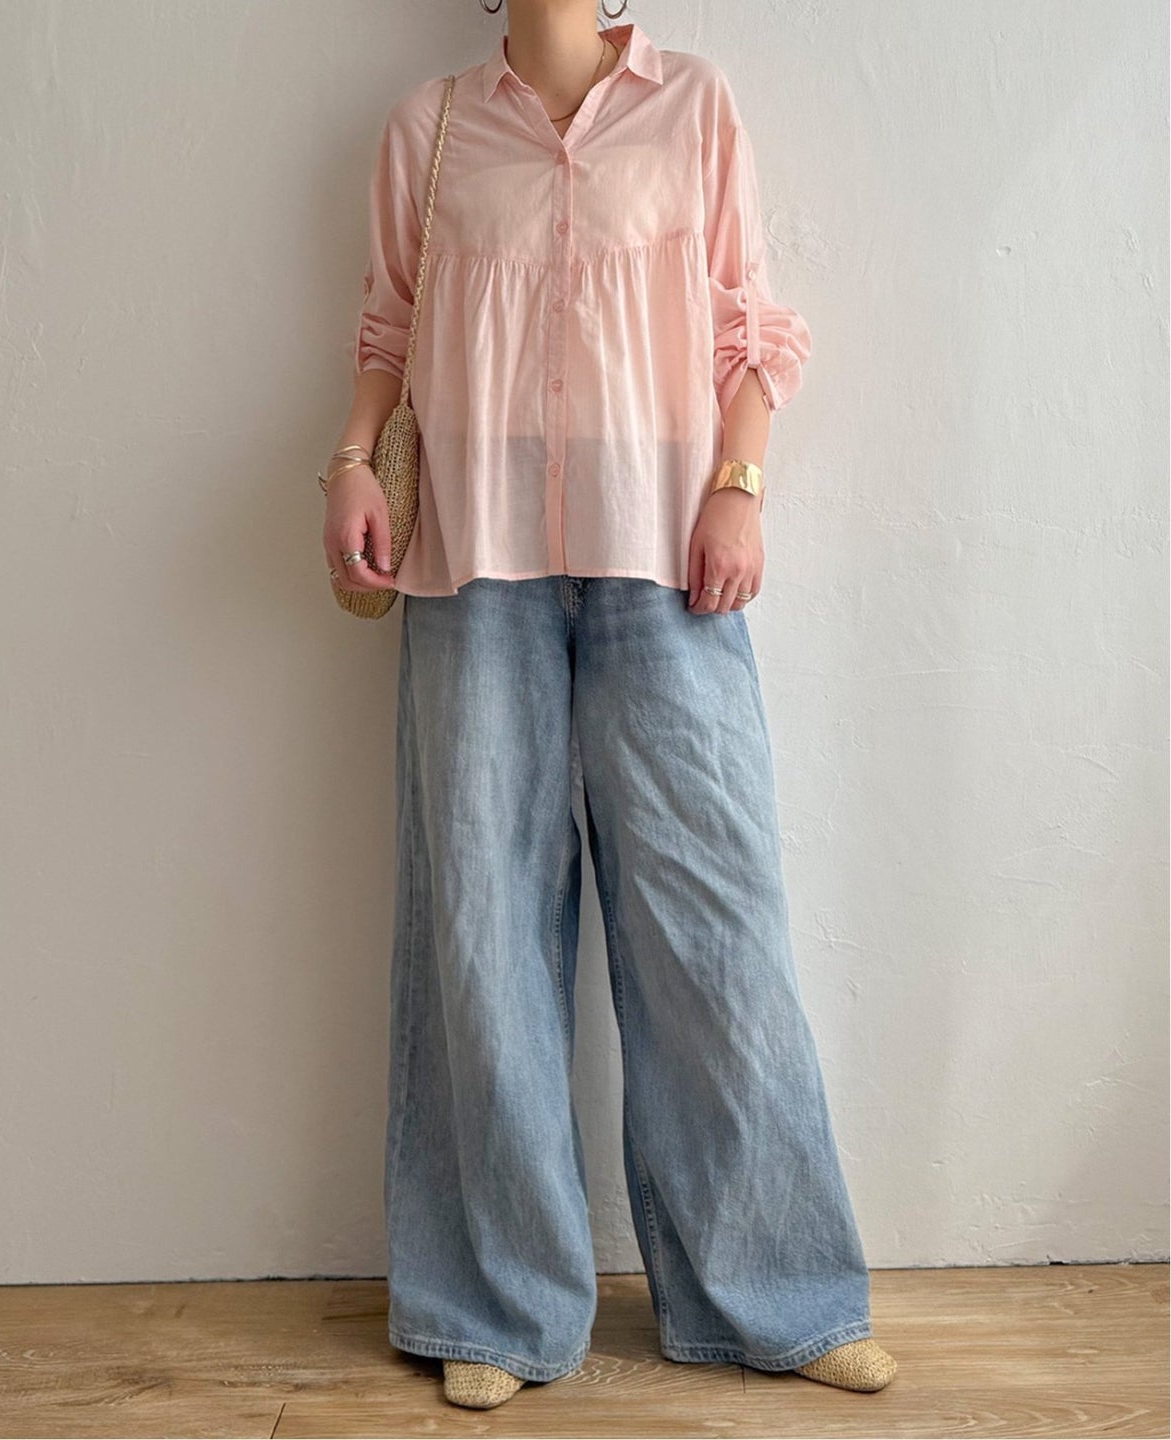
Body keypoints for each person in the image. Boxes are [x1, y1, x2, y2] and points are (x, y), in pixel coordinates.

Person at [321, 0, 898, 1412]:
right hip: (475, 558)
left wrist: (739, 488)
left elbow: (750, 324)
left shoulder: (692, 104)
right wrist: (346, 460)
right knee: (480, 925)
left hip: (664, 554)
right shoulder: (428, 126)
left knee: (716, 921)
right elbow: (390, 324)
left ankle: (778, 1294)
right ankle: (494, 1302)